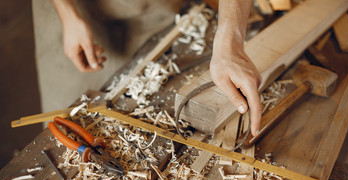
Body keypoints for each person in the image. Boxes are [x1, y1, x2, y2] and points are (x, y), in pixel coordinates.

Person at [48, 0, 262, 136]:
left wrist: (229, 40)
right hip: (72, 9)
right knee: (71, 113)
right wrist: (68, 14)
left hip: (154, 8)